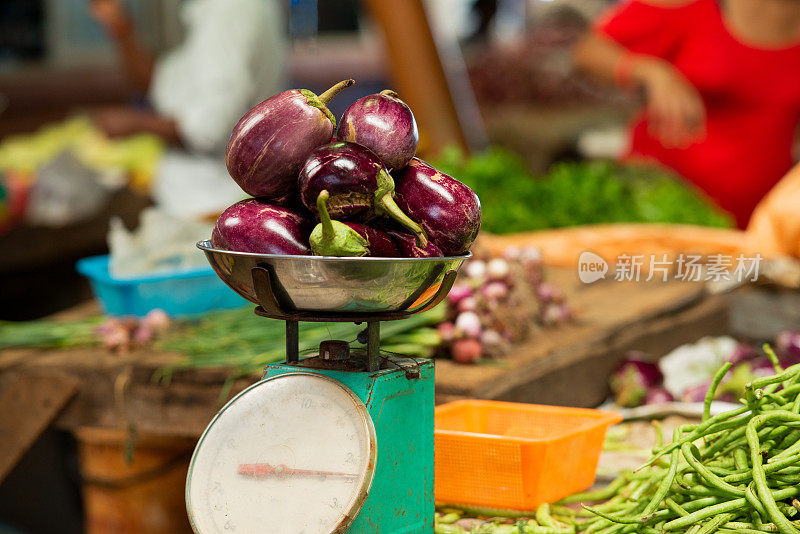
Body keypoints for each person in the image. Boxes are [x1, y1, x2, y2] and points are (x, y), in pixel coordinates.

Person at [573, 0, 800, 229]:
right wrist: (650, 71)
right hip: (656, 211)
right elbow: (588, 52)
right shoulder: (689, 4)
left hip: (759, 223)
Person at [89, 0, 287, 218]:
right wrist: (120, 27)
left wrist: (135, 123)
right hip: (201, 205)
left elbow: (208, 129)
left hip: (213, 208)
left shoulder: (230, 11)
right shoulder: (218, 12)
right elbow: (162, 82)